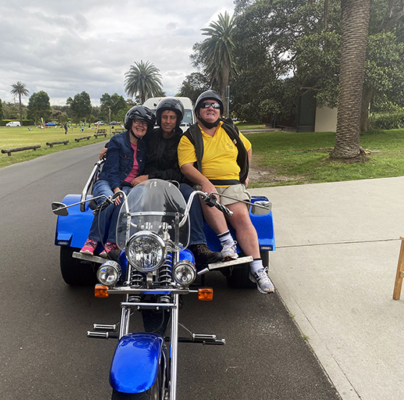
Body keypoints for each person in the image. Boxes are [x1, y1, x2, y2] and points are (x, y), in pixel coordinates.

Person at [100, 98, 221, 265]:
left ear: (178, 119)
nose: (168, 121)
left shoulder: (184, 139)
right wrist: (109, 147)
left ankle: (198, 244)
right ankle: (123, 244)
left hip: (174, 183)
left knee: (192, 194)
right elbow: (128, 141)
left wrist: (150, 177)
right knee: (130, 202)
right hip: (144, 184)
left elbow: (180, 171)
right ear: (159, 118)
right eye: (164, 117)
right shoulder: (150, 135)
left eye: (172, 117)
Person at [178, 90, 274, 294]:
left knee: (241, 217)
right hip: (207, 183)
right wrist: (204, 182)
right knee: (207, 197)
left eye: (215, 105)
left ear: (220, 111)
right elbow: (186, 166)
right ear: (198, 111)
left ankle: (258, 270)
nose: (210, 108)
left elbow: (247, 149)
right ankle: (227, 243)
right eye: (205, 105)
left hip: (232, 183)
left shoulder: (230, 130)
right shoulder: (190, 136)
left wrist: (245, 175)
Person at [80, 106, 155, 258]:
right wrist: (115, 189)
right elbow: (112, 170)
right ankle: (92, 240)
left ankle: (112, 243)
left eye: (145, 123)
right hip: (107, 181)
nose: (141, 125)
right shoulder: (117, 141)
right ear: (130, 122)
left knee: (124, 204)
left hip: (128, 185)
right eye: (137, 121)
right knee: (110, 200)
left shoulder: (145, 146)